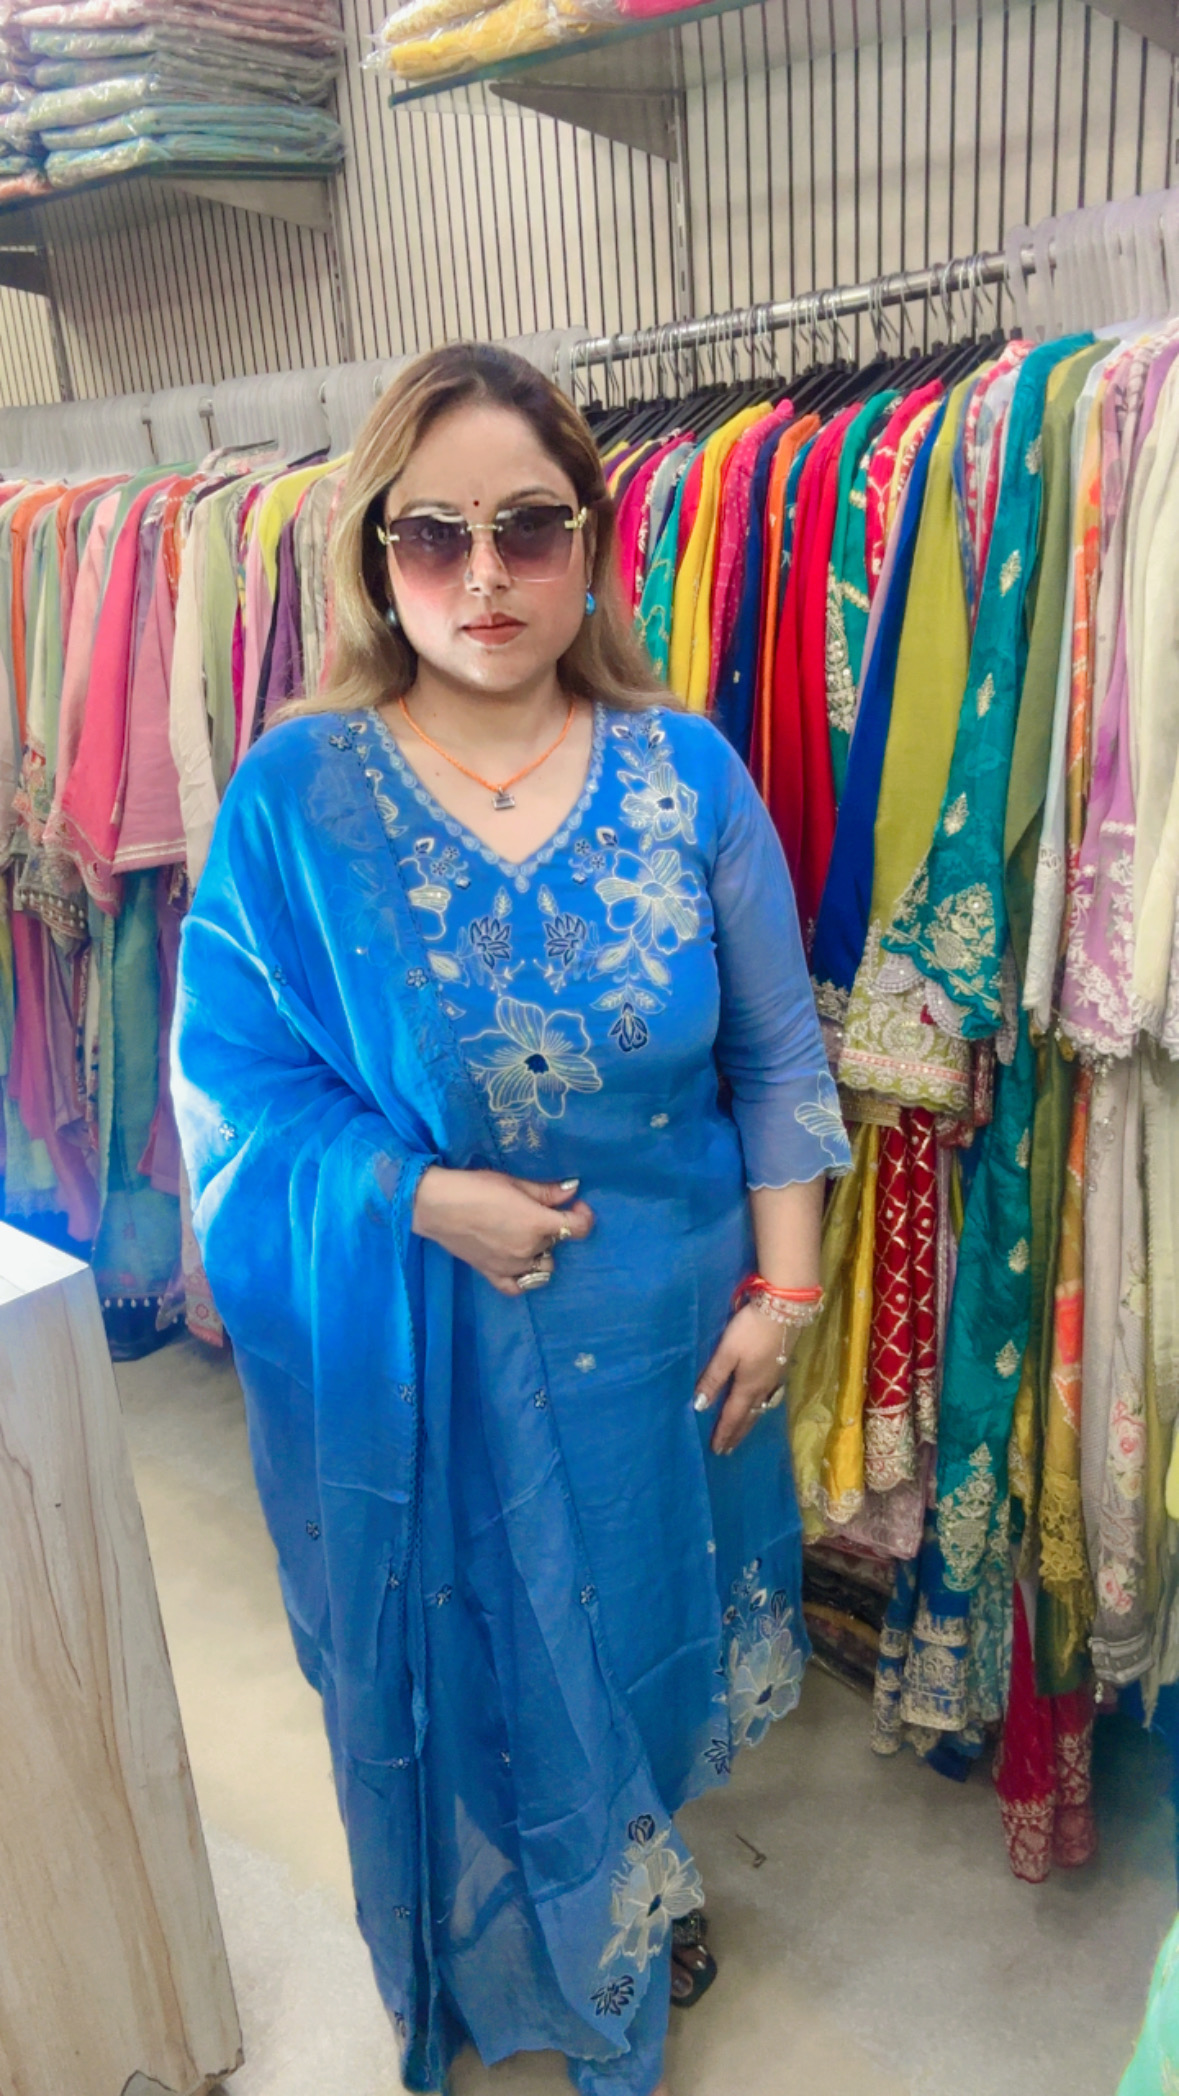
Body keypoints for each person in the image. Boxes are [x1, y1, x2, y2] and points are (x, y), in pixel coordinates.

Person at [172, 344, 851, 2096]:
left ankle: (632, 1874)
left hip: (670, 1336)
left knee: (635, 1636)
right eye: (434, 535)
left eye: (528, 529)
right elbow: (234, 1085)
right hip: (433, 1353)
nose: (484, 576)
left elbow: (779, 1054)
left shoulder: (686, 774)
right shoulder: (296, 800)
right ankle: (516, 1934)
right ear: (375, 557)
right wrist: (415, 1194)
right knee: (475, 1648)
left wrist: (786, 1300)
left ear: (592, 547)